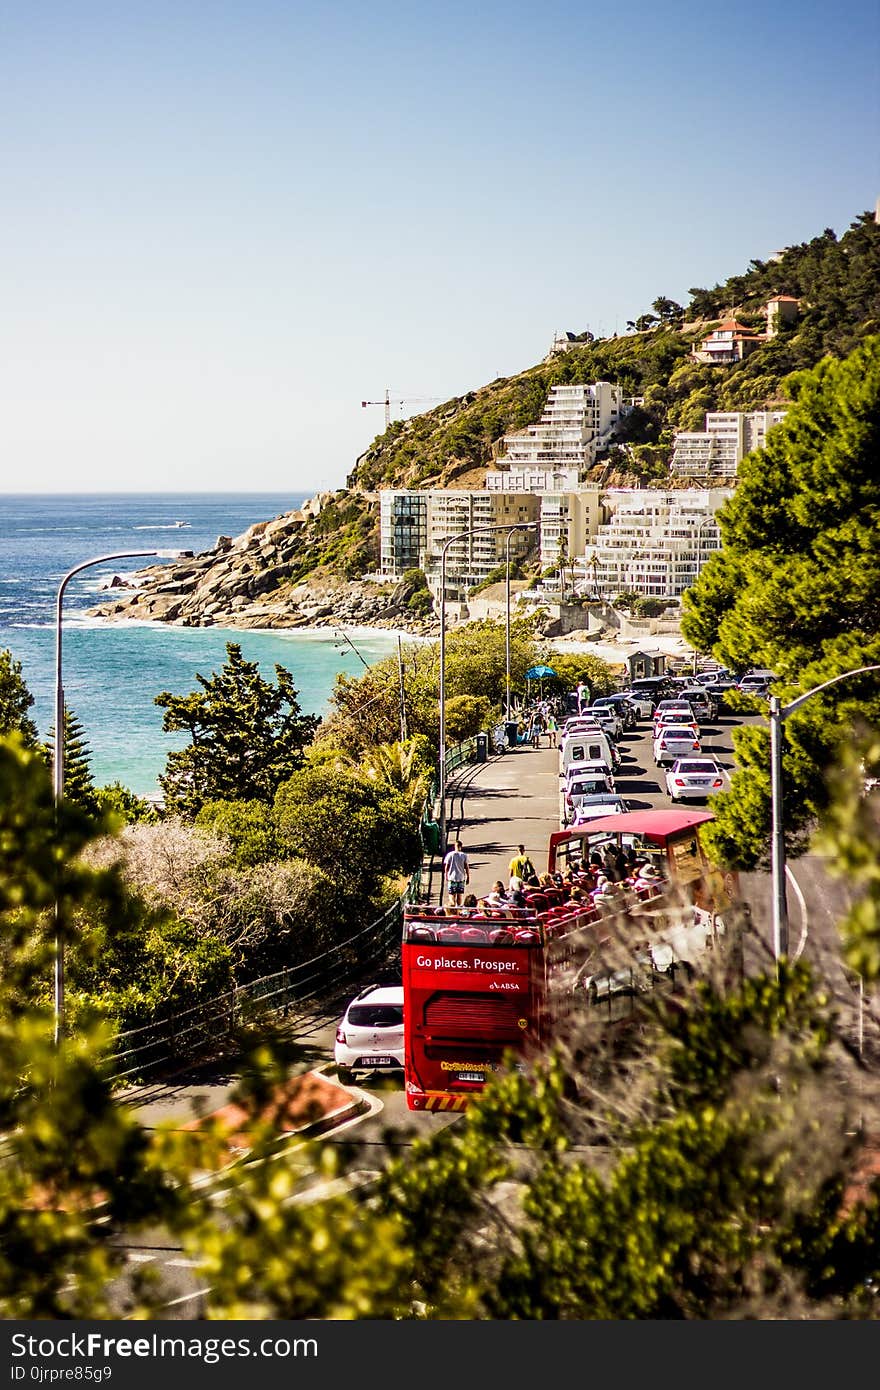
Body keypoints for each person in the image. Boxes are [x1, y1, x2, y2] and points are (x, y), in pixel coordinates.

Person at [442, 838, 470, 907]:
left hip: (452, 877)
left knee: (452, 895)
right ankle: (459, 908)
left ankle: (452, 908)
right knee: (459, 895)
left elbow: (446, 867)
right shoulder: (464, 855)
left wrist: (446, 875)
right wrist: (468, 876)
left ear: (454, 846)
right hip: (461, 877)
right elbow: (466, 867)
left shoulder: (450, 855)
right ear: (461, 846)